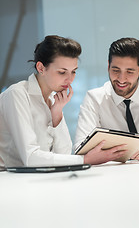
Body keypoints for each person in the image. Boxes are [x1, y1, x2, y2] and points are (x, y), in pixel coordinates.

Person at [0, 35, 126, 167]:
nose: (70, 79)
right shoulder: (17, 94)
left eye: (73, 72)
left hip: (37, 178)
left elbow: (64, 154)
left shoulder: (53, 99)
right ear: (41, 68)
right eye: (62, 72)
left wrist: (57, 116)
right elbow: (31, 158)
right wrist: (85, 160)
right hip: (8, 180)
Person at [74, 37, 139, 161]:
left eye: (129, 72)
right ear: (108, 66)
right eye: (115, 70)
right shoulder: (94, 99)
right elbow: (80, 147)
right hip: (112, 173)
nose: (121, 79)